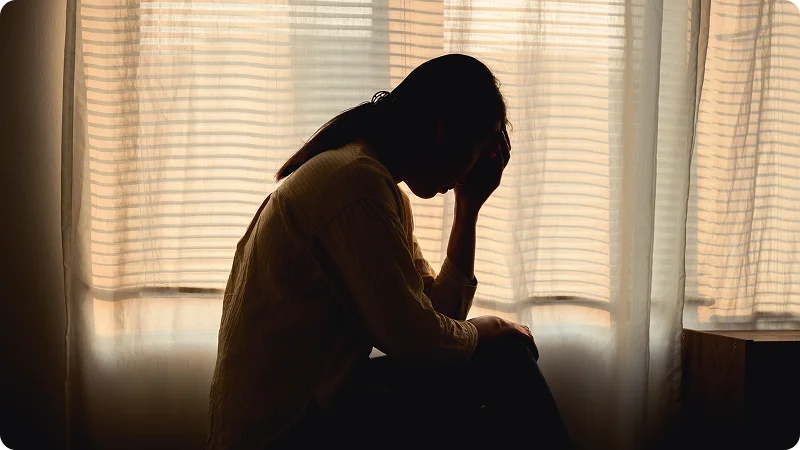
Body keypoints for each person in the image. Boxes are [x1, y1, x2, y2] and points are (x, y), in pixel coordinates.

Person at [207, 54, 572, 449]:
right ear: (441, 131)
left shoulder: (375, 186)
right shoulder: (355, 185)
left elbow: (439, 320)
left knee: (495, 364)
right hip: (285, 432)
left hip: (315, 410)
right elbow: (420, 343)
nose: (470, 174)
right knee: (505, 358)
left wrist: (467, 213)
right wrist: (492, 329)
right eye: (476, 154)